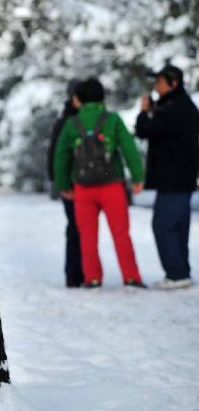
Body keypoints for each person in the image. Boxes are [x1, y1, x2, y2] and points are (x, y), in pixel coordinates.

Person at [54, 78, 145, 289]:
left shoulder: (71, 123)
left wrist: (64, 185)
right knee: (121, 234)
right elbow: (129, 148)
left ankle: (92, 278)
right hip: (112, 185)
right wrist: (138, 177)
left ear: (79, 100)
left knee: (87, 236)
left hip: (83, 188)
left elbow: (61, 156)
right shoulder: (112, 119)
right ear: (102, 97)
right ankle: (131, 277)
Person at [135, 64, 199, 290]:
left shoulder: (176, 108)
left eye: (160, 82)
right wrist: (155, 108)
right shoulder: (182, 106)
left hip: (173, 179)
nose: (156, 86)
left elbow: (145, 130)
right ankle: (181, 272)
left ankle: (176, 273)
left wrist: (144, 112)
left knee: (163, 225)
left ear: (173, 83)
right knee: (178, 226)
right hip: (182, 178)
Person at [48, 81, 83, 287]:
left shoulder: (66, 119)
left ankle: (78, 273)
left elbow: (54, 153)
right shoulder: (67, 121)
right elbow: (56, 154)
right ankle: (75, 273)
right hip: (72, 184)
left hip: (78, 182)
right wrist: (60, 183)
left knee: (78, 228)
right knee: (76, 228)